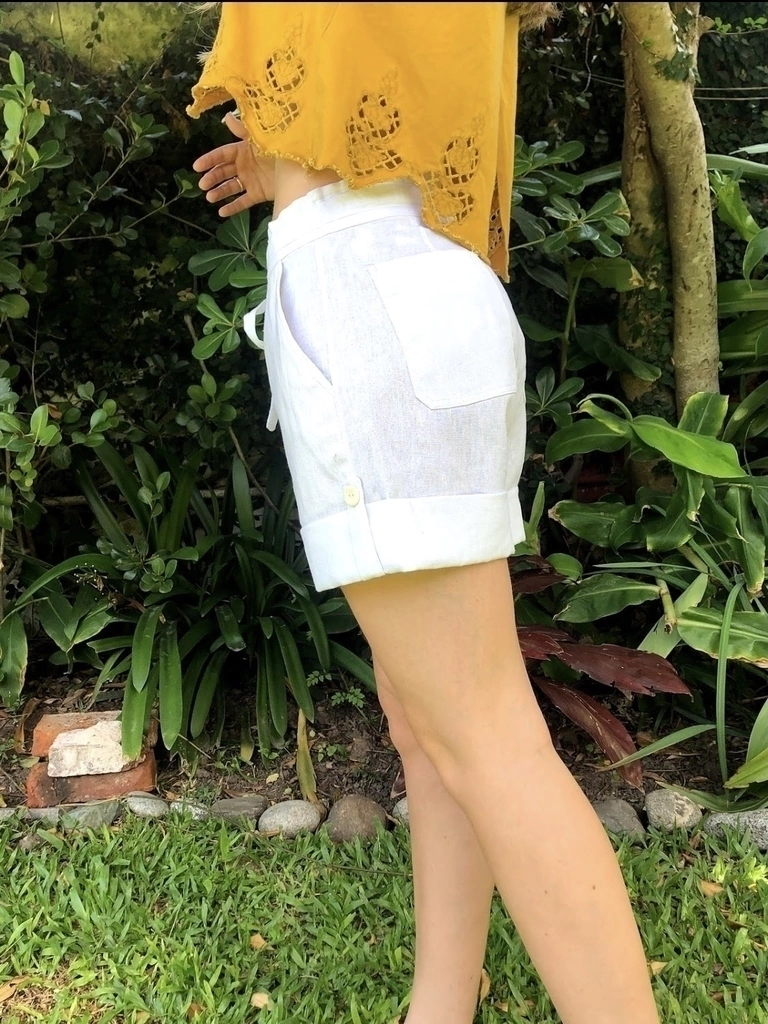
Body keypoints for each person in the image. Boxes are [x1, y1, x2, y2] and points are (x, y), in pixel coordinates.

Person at [188, 5, 661, 1024]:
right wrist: (285, 164)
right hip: (420, 281)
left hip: (370, 302)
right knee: (432, 724)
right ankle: (439, 1007)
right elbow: (393, 93)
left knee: (489, 739)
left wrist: (292, 161)